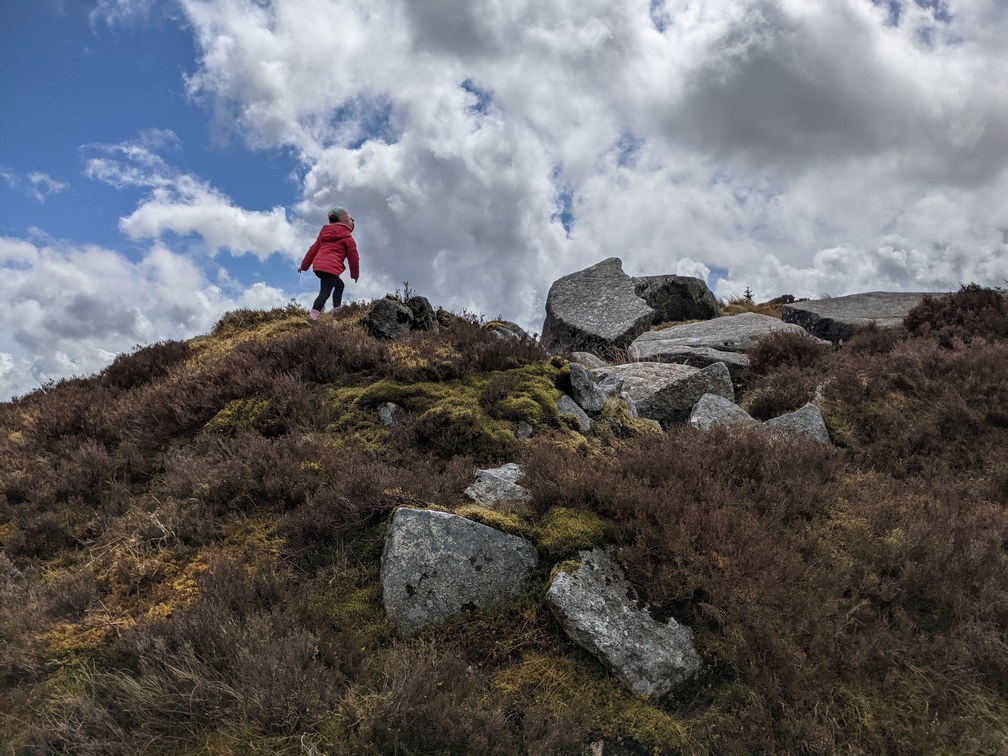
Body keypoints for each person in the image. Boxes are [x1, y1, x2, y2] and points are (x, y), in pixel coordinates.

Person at [299, 207, 360, 321]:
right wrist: (355, 274)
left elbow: (313, 250)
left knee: (339, 285)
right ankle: (313, 315)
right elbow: (354, 258)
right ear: (347, 221)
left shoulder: (323, 235)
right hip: (331, 268)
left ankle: (337, 308)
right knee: (325, 292)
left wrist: (304, 266)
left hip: (319, 267)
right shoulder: (347, 238)